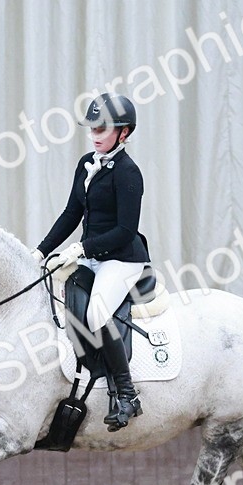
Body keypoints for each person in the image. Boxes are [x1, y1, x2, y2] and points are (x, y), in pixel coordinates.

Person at [33, 93, 150, 431]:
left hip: (122, 259)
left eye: (103, 129)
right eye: (92, 128)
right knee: (58, 294)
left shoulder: (128, 173)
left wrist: (82, 248)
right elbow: (71, 213)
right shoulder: (87, 163)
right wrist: (40, 251)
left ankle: (127, 393)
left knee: (98, 313)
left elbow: (125, 231)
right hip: (93, 257)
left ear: (124, 132)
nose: (95, 135)